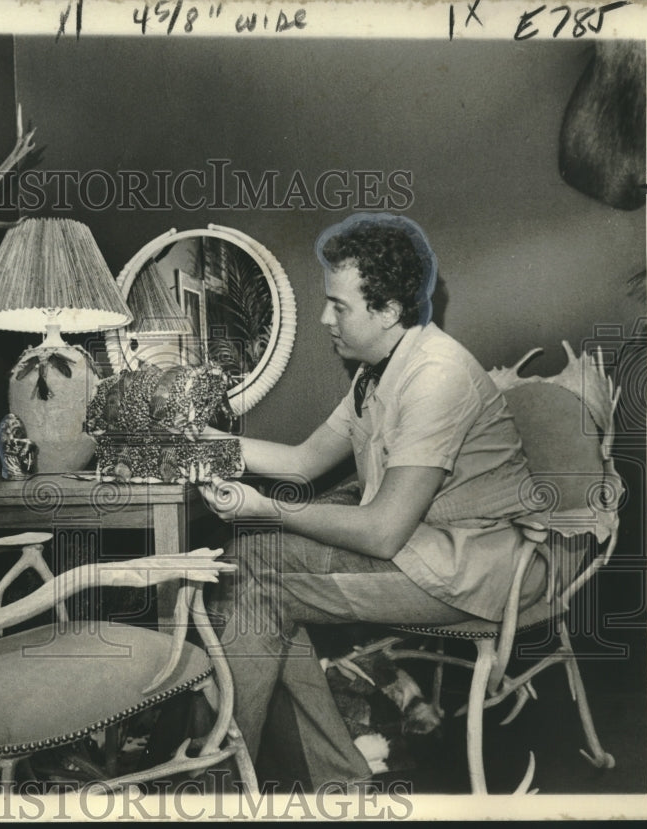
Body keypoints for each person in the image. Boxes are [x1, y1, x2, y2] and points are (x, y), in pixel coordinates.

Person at [199, 212, 548, 790]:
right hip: (429, 549)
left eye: (339, 306)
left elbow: (383, 531)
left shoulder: (436, 375)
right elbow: (303, 460)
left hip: (475, 568)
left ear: (388, 311)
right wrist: (201, 445)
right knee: (257, 575)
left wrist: (268, 509)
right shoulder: (378, 371)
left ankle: (227, 781)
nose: (323, 319)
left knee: (257, 572)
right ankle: (330, 782)